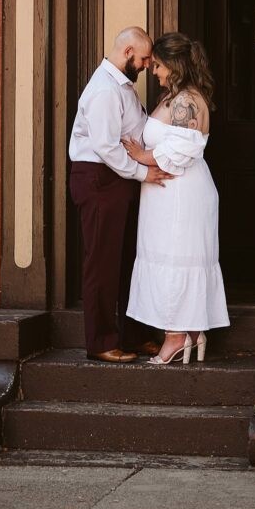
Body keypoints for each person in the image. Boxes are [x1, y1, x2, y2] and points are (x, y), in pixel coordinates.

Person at [123, 32, 230, 365]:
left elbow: (184, 149)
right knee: (169, 258)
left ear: (174, 64)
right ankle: (192, 332)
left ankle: (176, 337)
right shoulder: (175, 96)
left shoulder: (186, 101)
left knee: (176, 259)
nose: (153, 71)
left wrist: (141, 155)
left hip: (181, 195)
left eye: (157, 65)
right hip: (168, 196)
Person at [69, 26, 172, 363]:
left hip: (118, 179)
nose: (146, 66)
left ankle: (133, 334)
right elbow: (107, 148)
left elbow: (134, 134)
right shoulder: (104, 90)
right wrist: (144, 172)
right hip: (99, 179)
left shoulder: (123, 87)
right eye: (143, 59)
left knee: (130, 258)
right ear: (128, 53)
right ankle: (100, 342)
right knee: (101, 263)